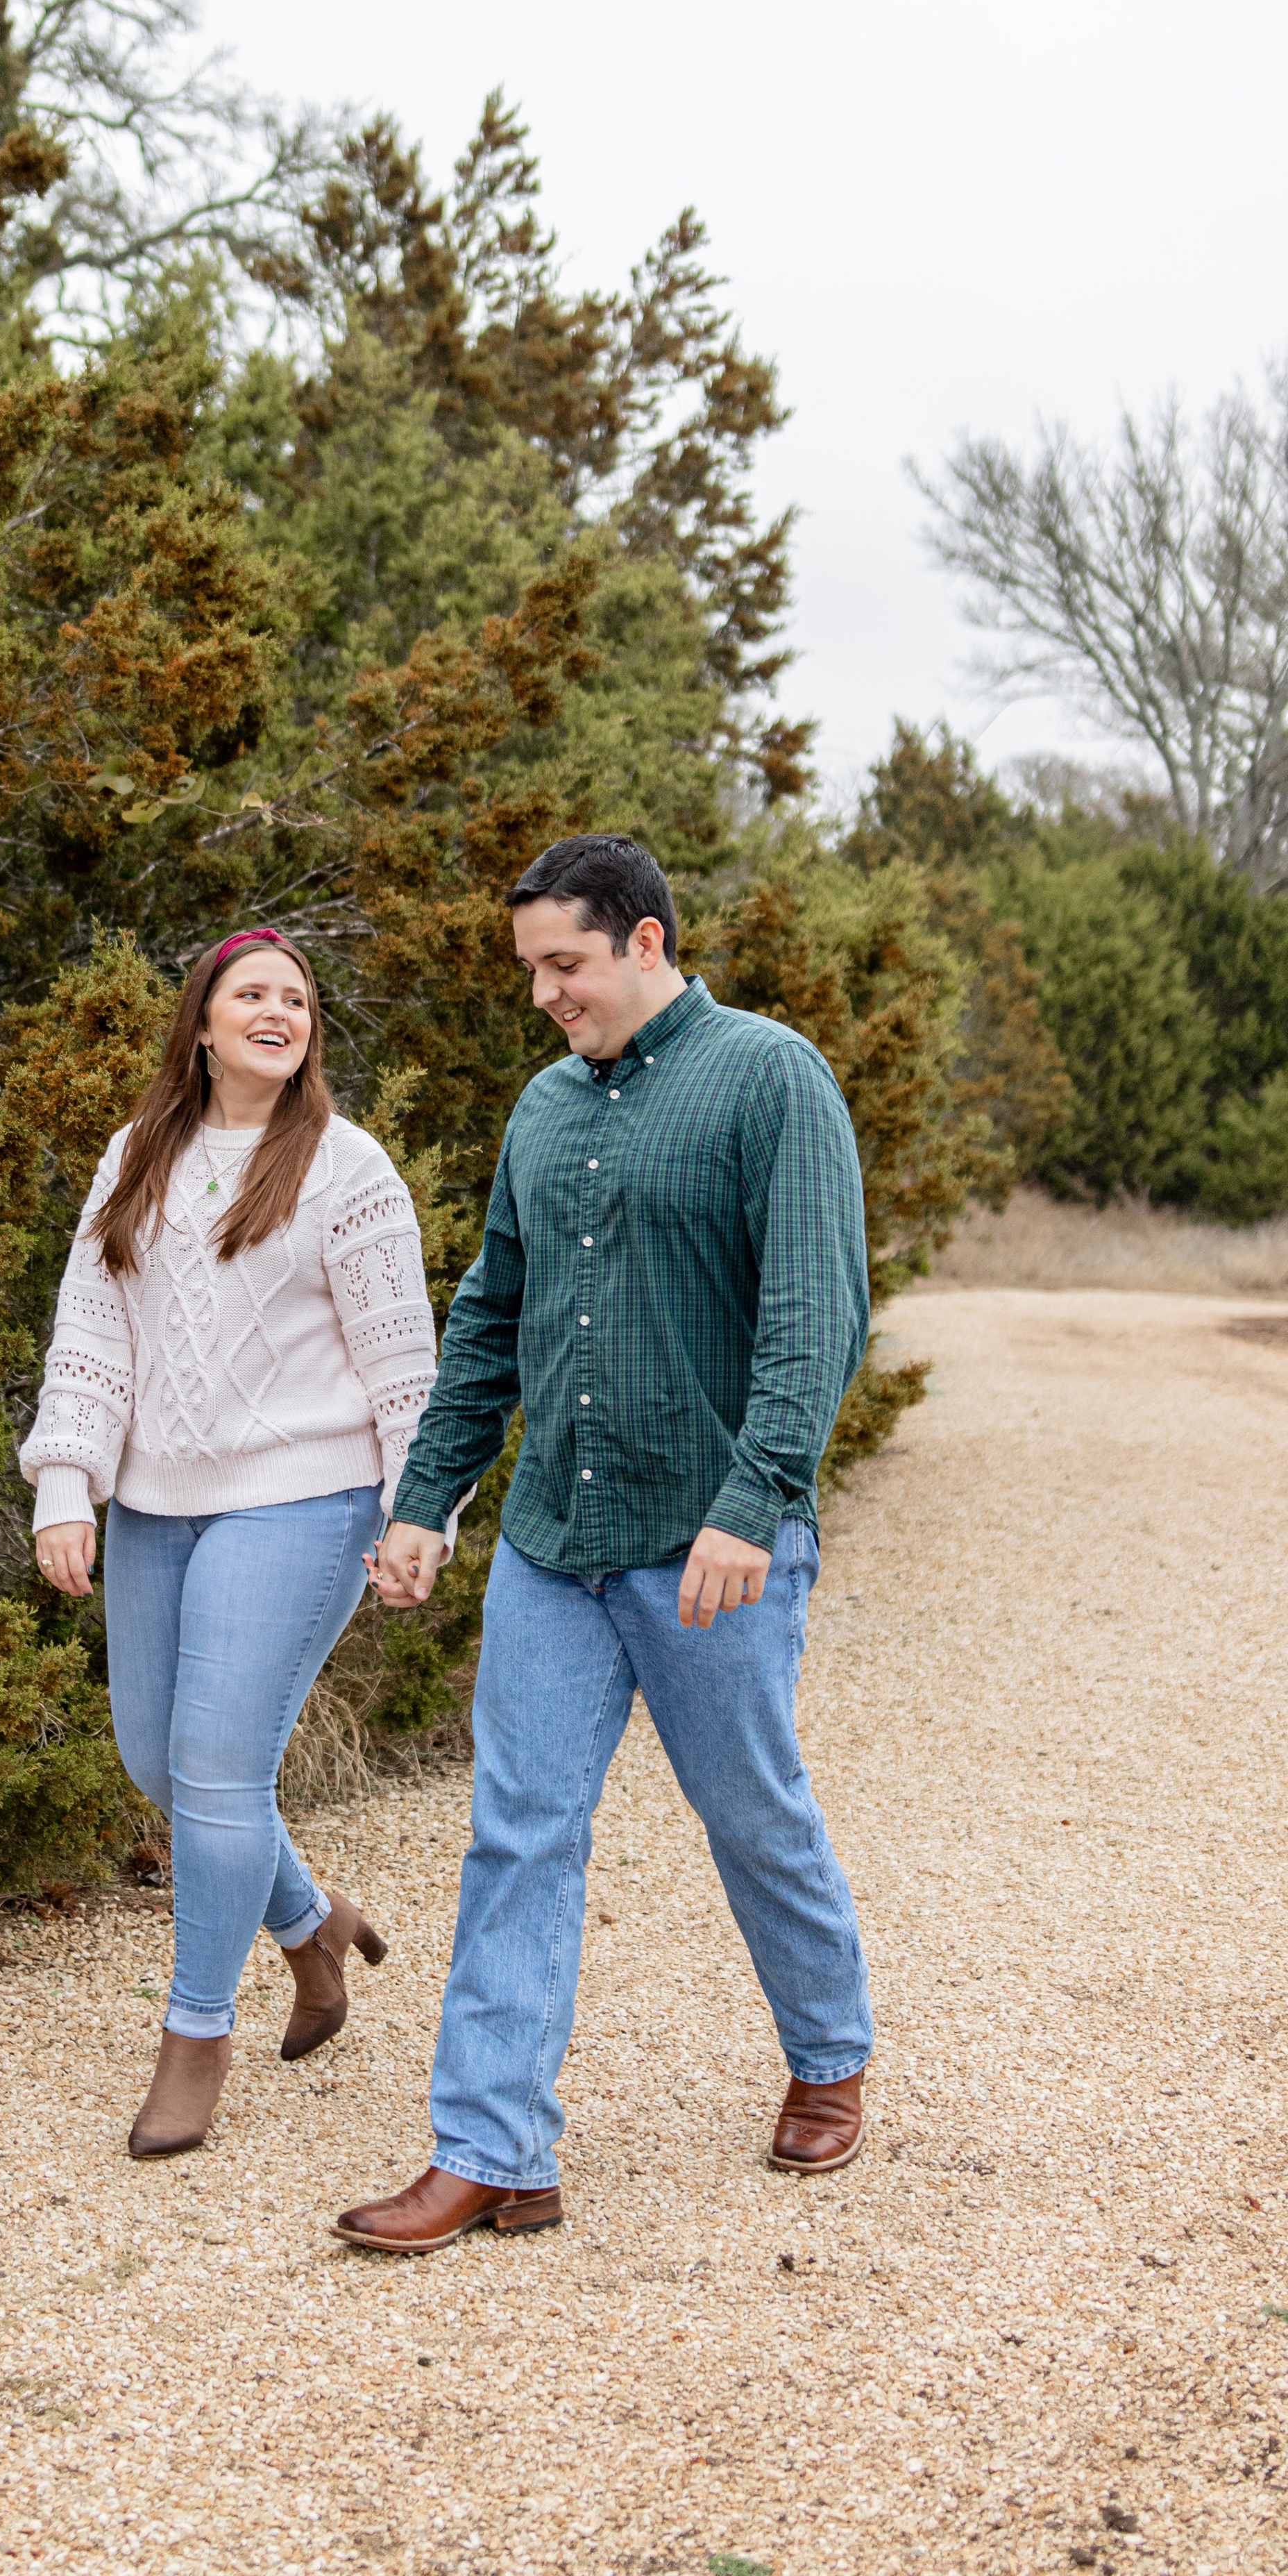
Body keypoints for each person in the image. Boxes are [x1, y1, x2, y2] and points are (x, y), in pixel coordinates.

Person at [333, 835, 874, 2256]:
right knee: (517, 1832)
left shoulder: (768, 1077)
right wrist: (424, 1504)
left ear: (644, 943)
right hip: (554, 1547)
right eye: (529, 972)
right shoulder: (538, 1111)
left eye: (561, 966)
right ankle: (490, 2151)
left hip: (709, 1550)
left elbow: (812, 1318)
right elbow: (491, 1325)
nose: (542, 998)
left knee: (747, 1810)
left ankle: (827, 2052)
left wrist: (752, 1506)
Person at [22, 928, 443, 2159]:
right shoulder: (136, 1155)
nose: (277, 1010)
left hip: (305, 1497)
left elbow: (406, 1367)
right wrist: (66, 1485)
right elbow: (93, 1332)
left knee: (217, 1767)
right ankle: (312, 1925)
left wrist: (423, 1517)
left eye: (297, 999)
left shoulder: (350, 1170)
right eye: (250, 994)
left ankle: (195, 2036)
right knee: (160, 1763)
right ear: (201, 1025)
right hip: (156, 1500)